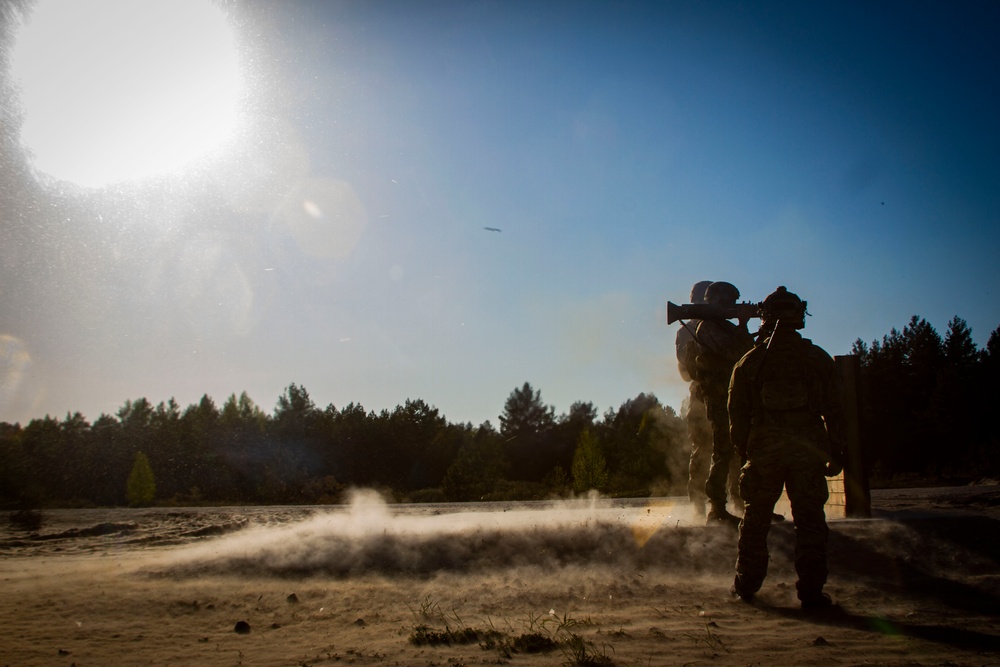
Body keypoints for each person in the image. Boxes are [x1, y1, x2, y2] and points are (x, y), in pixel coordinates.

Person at [728, 286, 847, 610]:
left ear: (764, 318)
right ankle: (811, 592)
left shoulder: (750, 363)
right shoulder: (816, 359)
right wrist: (837, 452)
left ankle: (746, 586)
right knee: (810, 521)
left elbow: (736, 415)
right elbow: (835, 411)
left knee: (755, 521)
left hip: (765, 450)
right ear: (799, 316)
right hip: (807, 450)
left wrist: (745, 451)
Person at [692, 281, 754, 525]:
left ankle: (748, 504)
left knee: (743, 451)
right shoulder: (707, 328)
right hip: (719, 397)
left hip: (734, 395)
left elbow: (748, 350)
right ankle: (716, 508)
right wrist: (743, 324)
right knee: (723, 451)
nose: (731, 305)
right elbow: (734, 352)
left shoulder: (723, 326)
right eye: (727, 301)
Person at [675, 280, 714, 516]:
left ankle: (738, 501)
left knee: (735, 451)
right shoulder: (686, 330)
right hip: (700, 394)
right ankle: (699, 504)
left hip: (726, 392)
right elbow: (685, 368)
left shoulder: (721, 329)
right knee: (702, 448)